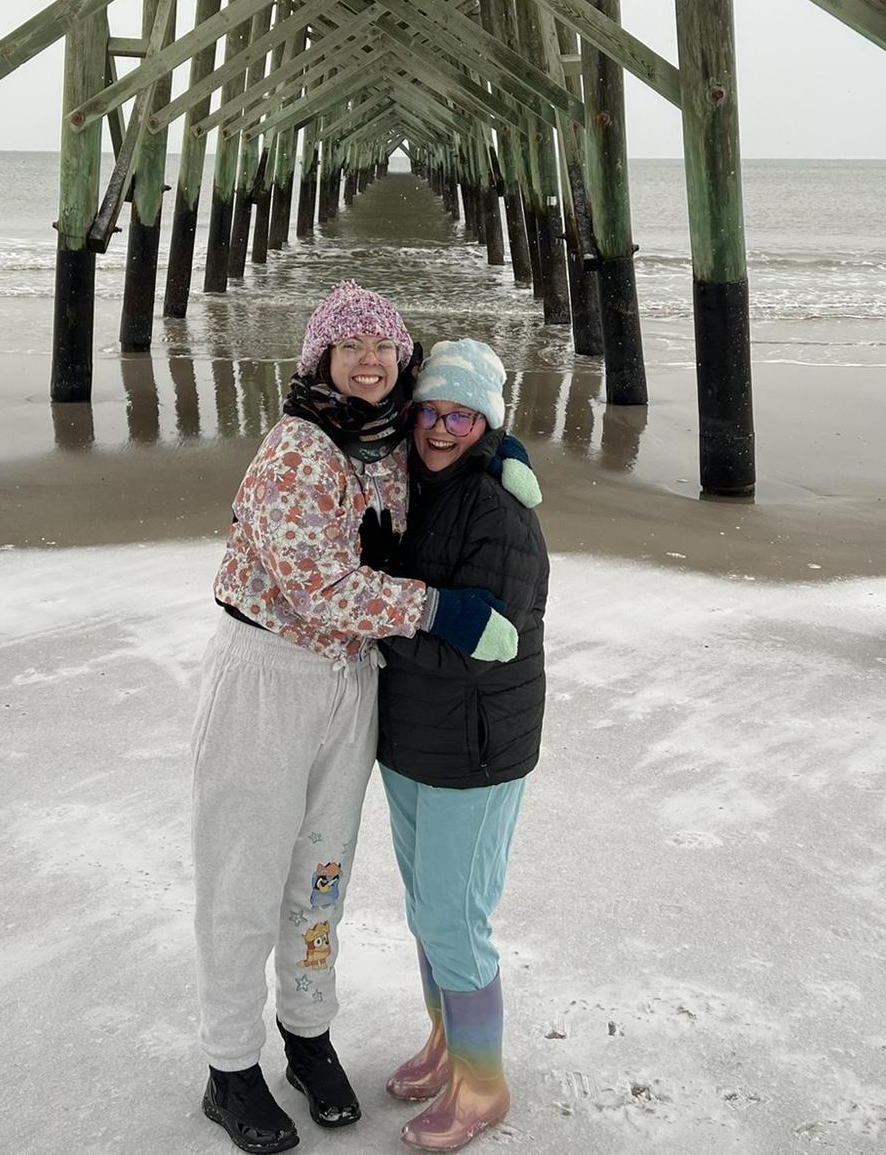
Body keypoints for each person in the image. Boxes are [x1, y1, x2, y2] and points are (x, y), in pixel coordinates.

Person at [196, 284, 519, 1155]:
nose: (368, 360)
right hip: (270, 674)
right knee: (246, 875)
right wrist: (439, 611)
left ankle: (308, 1035)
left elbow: (455, 442)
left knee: (323, 871)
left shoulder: (388, 442)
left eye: (383, 346)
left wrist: (502, 445)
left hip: (352, 674)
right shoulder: (298, 448)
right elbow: (317, 587)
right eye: (349, 347)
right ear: (320, 360)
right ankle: (230, 1068)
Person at [376, 340, 549, 1152]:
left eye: (461, 415)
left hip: (475, 746)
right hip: (412, 736)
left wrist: (377, 613)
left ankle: (483, 1085)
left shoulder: (499, 512)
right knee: (426, 911)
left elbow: (494, 639)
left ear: (485, 424)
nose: (441, 429)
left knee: (455, 914)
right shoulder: (413, 484)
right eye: (431, 412)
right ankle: (449, 1045)